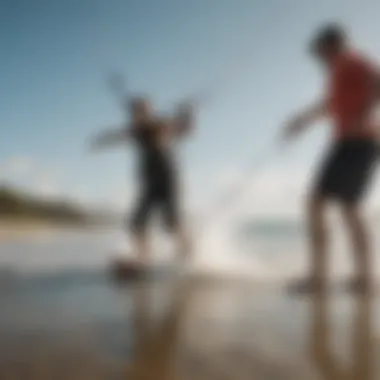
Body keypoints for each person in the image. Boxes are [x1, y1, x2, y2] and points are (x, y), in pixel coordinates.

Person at [282, 23, 380, 293]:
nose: (318, 58)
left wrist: (362, 113)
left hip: (356, 142)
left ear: (331, 45)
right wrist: (301, 121)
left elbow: (378, 82)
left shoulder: (348, 61)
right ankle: (363, 279)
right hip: (356, 142)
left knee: (318, 202)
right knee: (348, 207)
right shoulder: (339, 71)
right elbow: (329, 105)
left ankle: (322, 278)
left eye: (319, 51)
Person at [90, 96, 194, 267]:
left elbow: (186, 129)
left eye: (140, 112)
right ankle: (141, 259)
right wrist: (101, 141)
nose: (135, 116)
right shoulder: (136, 131)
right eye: (134, 113)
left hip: (167, 180)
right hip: (149, 184)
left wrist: (186, 113)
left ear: (148, 112)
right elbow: (119, 135)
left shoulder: (161, 125)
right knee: (136, 223)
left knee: (172, 223)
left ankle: (188, 251)